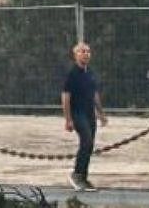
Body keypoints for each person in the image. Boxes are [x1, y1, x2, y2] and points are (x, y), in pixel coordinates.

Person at [62, 41, 107, 192]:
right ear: (75, 55)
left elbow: (94, 94)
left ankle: (83, 177)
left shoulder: (90, 73)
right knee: (86, 140)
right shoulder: (72, 74)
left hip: (89, 113)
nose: (86, 54)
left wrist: (100, 113)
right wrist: (68, 119)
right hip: (77, 112)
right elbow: (66, 96)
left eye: (88, 51)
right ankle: (76, 174)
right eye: (82, 51)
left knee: (89, 145)